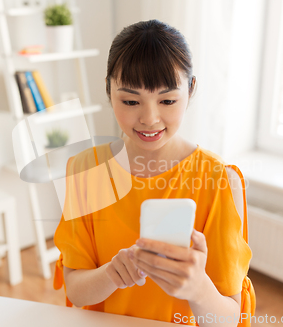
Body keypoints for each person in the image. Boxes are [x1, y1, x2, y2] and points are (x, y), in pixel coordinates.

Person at [52, 19, 255, 327]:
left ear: (191, 89)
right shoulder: (85, 171)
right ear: (108, 90)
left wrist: (198, 289)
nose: (149, 118)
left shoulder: (219, 180)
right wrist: (111, 274)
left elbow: (226, 320)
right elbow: (77, 292)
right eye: (131, 101)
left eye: (168, 100)